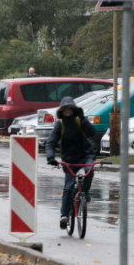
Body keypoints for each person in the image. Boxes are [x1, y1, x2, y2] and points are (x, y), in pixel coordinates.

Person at [45, 97, 97, 229]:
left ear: (74, 110)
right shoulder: (60, 125)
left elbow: (93, 134)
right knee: (68, 187)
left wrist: (84, 119)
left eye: (70, 109)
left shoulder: (81, 121)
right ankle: (64, 215)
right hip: (68, 159)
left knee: (89, 170)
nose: (68, 112)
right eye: (65, 110)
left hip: (86, 155)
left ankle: (85, 192)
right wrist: (51, 157)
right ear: (62, 112)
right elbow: (51, 142)